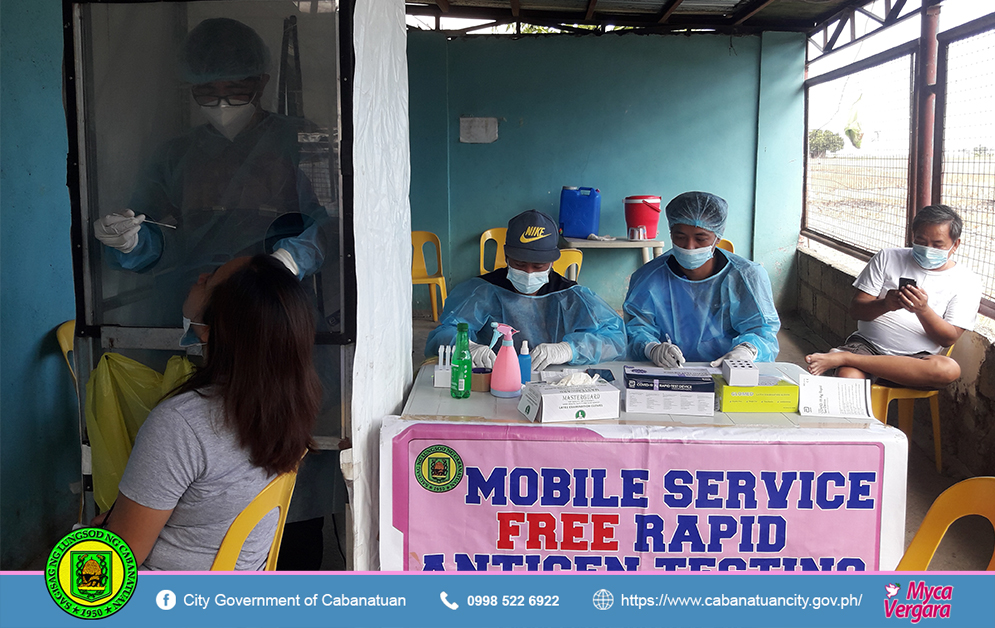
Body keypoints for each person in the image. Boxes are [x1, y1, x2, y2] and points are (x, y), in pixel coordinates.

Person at [92, 17, 327, 324]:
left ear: (262, 82)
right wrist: (132, 242)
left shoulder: (299, 142)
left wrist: (288, 260)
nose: (222, 103)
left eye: (236, 88)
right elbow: (156, 229)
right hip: (191, 303)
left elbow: (329, 226)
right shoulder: (175, 155)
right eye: (207, 92)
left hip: (273, 304)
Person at [94, 254, 320, 570]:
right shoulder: (291, 404)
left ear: (209, 329)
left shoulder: (180, 425)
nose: (200, 276)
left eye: (210, 279)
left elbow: (116, 561)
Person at [805, 205, 982, 387]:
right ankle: (849, 361)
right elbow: (856, 311)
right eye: (920, 241)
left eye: (937, 245)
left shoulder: (968, 281)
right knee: (848, 378)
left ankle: (844, 358)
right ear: (913, 237)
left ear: (955, 245)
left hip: (915, 361)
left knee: (949, 370)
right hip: (868, 347)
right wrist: (885, 305)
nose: (928, 249)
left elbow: (948, 338)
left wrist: (923, 310)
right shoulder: (888, 257)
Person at [425, 210, 626, 371]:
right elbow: (443, 334)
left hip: (555, 383)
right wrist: (467, 347)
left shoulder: (571, 296)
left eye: (538, 267)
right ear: (506, 257)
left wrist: (570, 350)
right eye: (520, 264)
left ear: (552, 261)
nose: (528, 273)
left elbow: (616, 339)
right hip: (491, 378)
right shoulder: (483, 291)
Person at [624, 191, 780, 367]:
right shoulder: (648, 278)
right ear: (670, 233)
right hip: (666, 369)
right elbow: (636, 328)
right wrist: (652, 348)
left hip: (729, 370)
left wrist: (746, 350)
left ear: (717, 238)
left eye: (701, 238)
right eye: (680, 237)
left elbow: (763, 331)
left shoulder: (746, 277)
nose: (689, 246)